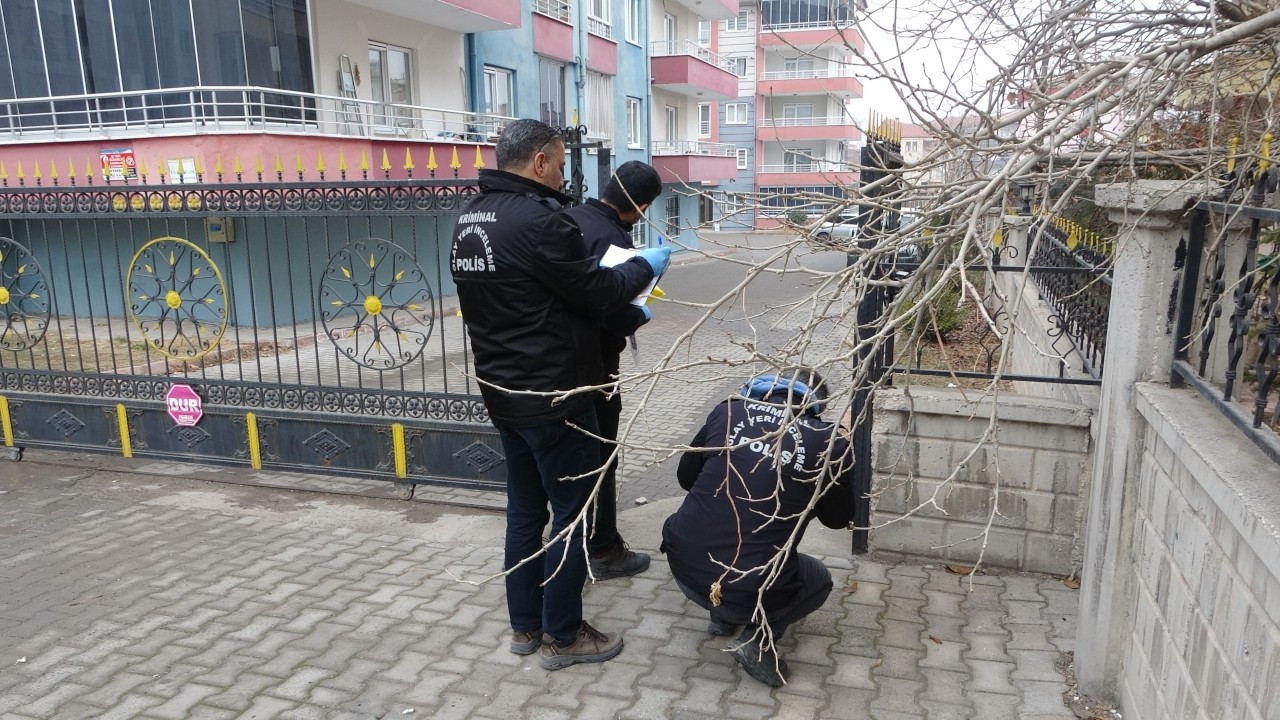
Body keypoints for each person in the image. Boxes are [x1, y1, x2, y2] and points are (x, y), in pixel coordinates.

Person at [449, 119, 672, 670]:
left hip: (503, 392)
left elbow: (535, 298)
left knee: (525, 512)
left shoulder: (469, 221)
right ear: (541, 162)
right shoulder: (541, 222)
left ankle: (525, 626)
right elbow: (597, 291)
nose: (565, 173)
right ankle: (565, 635)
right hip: (558, 397)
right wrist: (645, 265)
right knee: (570, 517)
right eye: (561, 161)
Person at [660, 368, 854, 687]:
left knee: (726, 531)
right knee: (819, 580)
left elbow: (686, 478)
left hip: (682, 564)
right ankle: (757, 640)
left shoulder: (728, 410)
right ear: (818, 404)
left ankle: (722, 618)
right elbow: (837, 520)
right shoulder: (828, 443)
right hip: (747, 584)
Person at [564, 160, 664, 581]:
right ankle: (603, 548)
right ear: (640, 206)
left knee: (568, 464)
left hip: (555, 367)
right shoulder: (614, 239)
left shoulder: (567, 220)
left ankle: (573, 543)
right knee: (601, 460)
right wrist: (642, 313)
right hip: (597, 369)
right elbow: (610, 311)